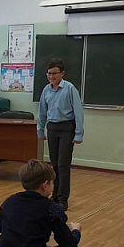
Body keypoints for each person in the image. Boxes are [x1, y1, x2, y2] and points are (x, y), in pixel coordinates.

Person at [37, 58, 84, 211]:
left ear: (62, 74)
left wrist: (78, 134)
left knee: (63, 165)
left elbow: (78, 112)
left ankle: (63, 199)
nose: (51, 76)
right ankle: (55, 195)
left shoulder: (70, 89)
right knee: (55, 164)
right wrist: (40, 129)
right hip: (52, 128)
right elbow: (42, 112)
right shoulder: (46, 90)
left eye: (54, 73)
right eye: (49, 74)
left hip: (66, 128)